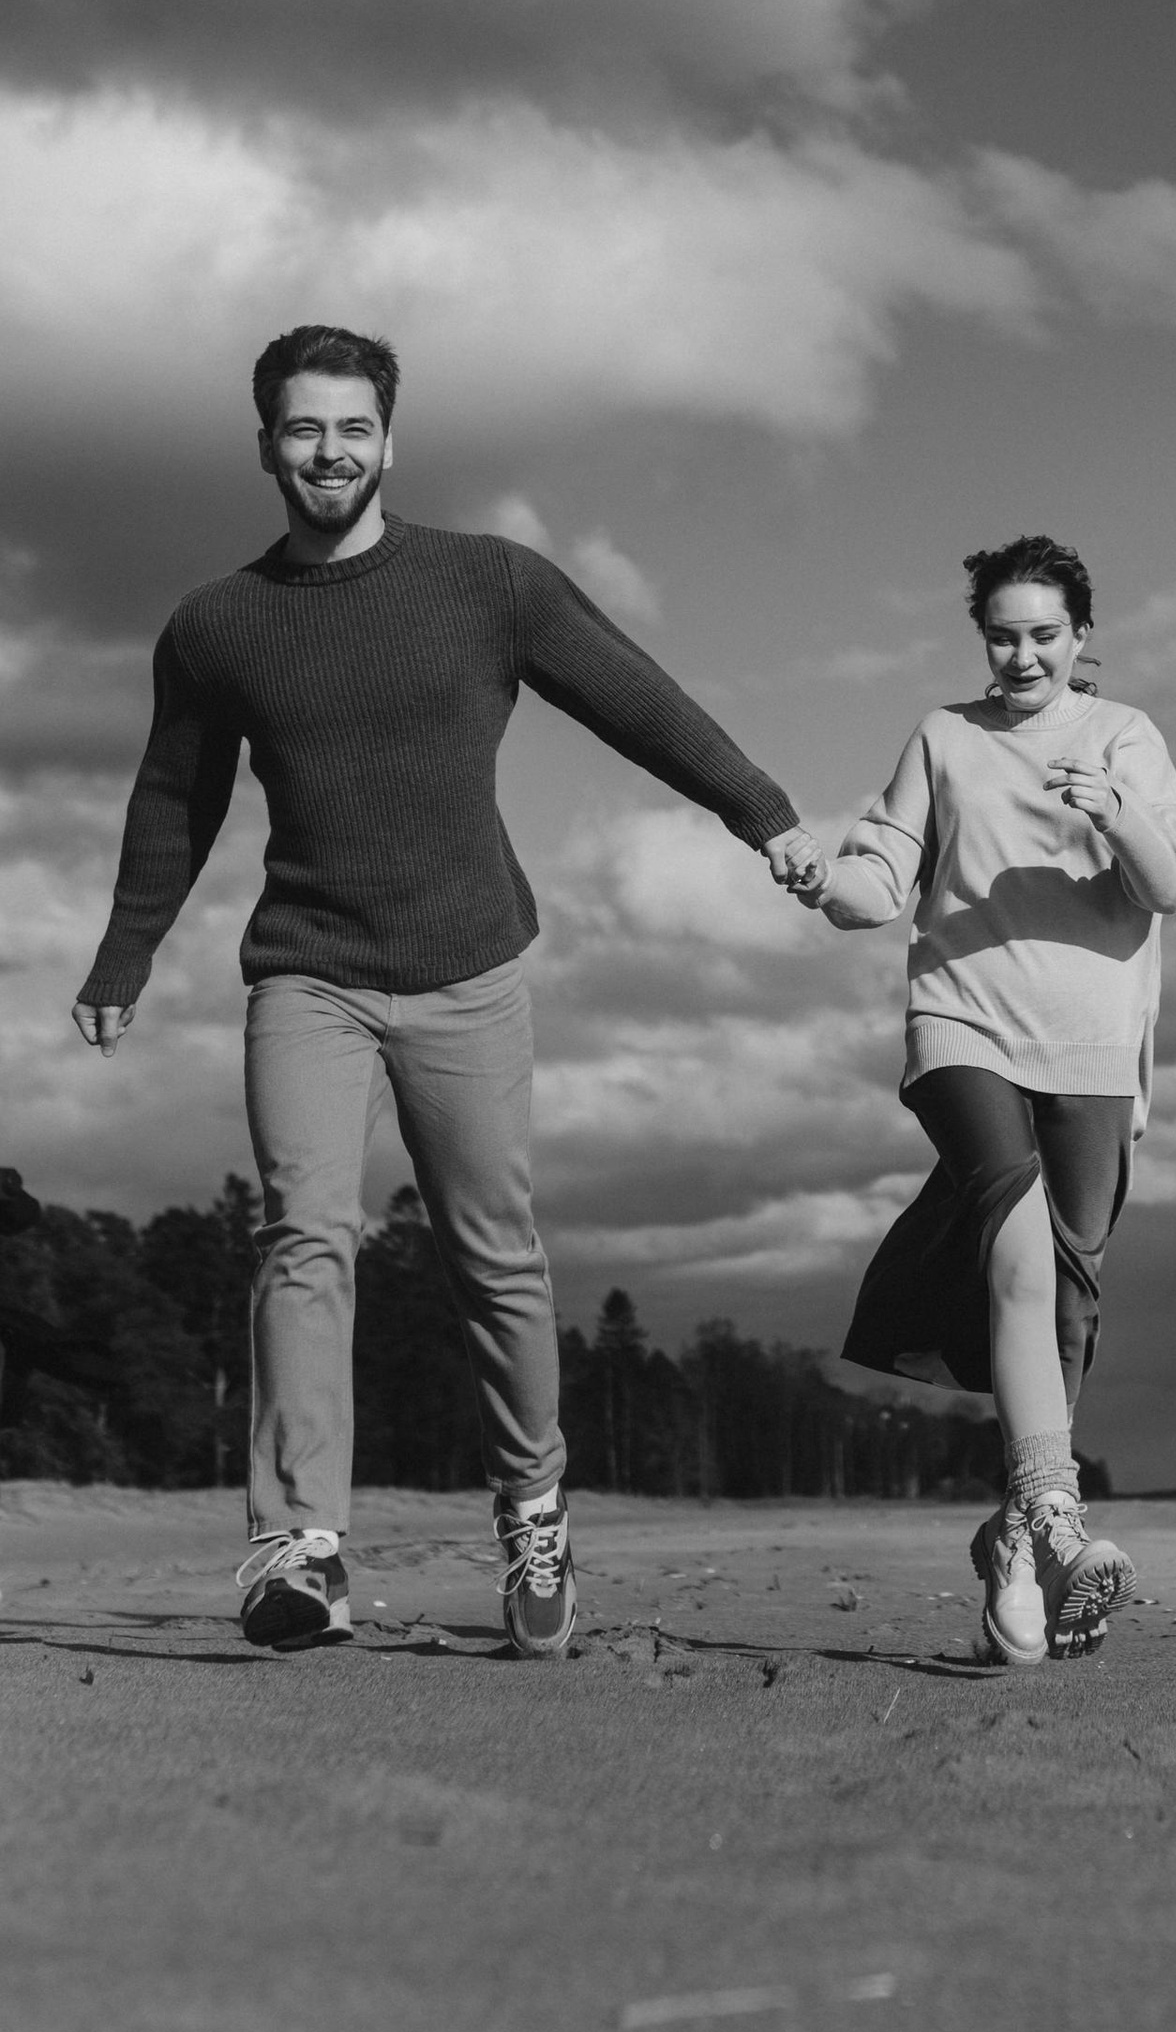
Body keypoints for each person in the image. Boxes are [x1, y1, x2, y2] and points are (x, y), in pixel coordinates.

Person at [71, 324, 830, 1658]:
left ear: (390, 441)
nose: (329, 452)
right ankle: (300, 1547)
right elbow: (174, 797)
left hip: (468, 967)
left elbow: (634, 699)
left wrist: (761, 813)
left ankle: (533, 1513)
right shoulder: (217, 625)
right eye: (304, 429)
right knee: (304, 1235)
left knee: (495, 1255)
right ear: (266, 446)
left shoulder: (489, 585)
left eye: (352, 428)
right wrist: (125, 952)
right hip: (308, 971)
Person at [809, 534, 1176, 1664]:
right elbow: (880, 878)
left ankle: (1017, 1542)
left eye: (1044, 636)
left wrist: (1115, 810)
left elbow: (1169, 884)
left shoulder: (1125, 737)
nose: (1022, 656)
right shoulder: (945, 737)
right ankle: (1062, 1522)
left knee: (1065, 1305)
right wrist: (824, 879)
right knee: (1019, 1256)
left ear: (1082, 637)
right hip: (964, 1026)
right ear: (980, 637)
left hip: (1095, 1048)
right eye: (1001, 636)